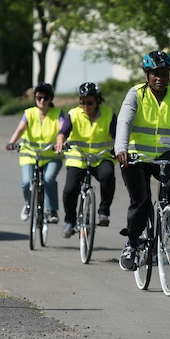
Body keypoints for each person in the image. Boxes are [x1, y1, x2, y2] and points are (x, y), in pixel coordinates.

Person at [115, 51, 170, 271]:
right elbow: (124, 121)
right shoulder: (135, 94)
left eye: (164, 73)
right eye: (155, 74)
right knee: (141, 201)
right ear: (147, 75)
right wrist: (121, 148)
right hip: (136, 156)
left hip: (165, 153)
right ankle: (132, 244)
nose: (160, 78)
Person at [55, 82, 117, 238]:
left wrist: (119, 148)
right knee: (70, 190)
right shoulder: (74, 114)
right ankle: (70, 221)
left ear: (98, 100)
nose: (86, 106)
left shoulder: (108, 114)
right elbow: (63, 132)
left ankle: (103, 212)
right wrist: (60, 141)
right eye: (82, 102)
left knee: (108, 176)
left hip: (101, 157)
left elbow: (117, 135)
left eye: (89, 102)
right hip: (78, 158)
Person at [6, 82, 63, 224]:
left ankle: (52, 210)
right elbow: (20, 129)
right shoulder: (29, 113)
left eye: (46, 97)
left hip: (51, 156)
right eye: (39, 97)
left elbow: (62, 130)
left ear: (51, 99)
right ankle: (28, 204)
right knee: (26, 183)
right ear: (35, 98)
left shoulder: (57, 113)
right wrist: (11, 142)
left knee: (49, 179)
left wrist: (61, 142)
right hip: (30, 154)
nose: (42, 100)